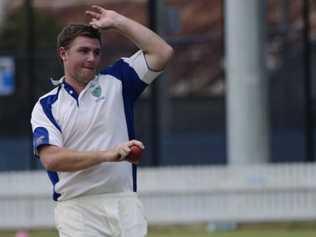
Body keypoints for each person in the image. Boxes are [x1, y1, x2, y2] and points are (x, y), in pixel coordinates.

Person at [30, 5, 173, 237]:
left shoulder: (118, 80)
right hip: (77, 208)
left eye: (96, 52)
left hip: (124, 203)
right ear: (63, 54)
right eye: (84, 51)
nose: (91, 58)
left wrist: (118, 22)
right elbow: (51, 159)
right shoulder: (46, 105)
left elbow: (162, 52)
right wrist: (108, 155)